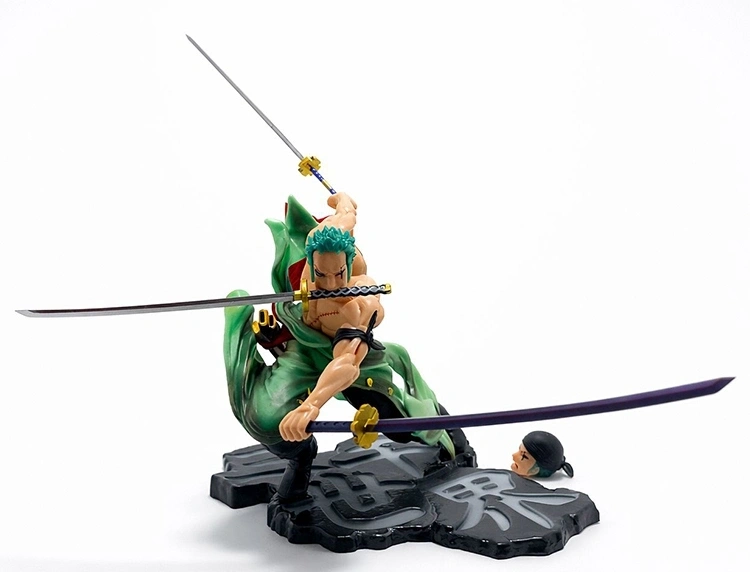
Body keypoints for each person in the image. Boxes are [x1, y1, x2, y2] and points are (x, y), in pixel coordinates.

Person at [223, 193, 470, 502]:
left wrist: (311, 405)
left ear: (350, 263)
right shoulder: (321, 241)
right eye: (321, 275)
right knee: (263, 418)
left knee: (400, 427)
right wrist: (341, 199)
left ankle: (451, 434)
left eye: (339, 274)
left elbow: (347, 364)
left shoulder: (359, 304)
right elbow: (347, 212)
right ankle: (300, 458)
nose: (330, 284)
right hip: (305, 351)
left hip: (352, 361)